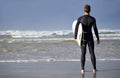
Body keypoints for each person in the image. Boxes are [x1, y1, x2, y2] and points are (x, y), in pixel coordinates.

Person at [74, 4, 100, 74]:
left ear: (84, 10)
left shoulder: (80, 18)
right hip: (90, 37)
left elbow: (76, 28)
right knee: (92, 53)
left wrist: (75, 37)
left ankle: (82, 69)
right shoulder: (93, 19)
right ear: (90, 10)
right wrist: (98, 38)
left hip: (83, 38)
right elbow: (95, 29)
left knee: (83, 53)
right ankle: (94, 69)